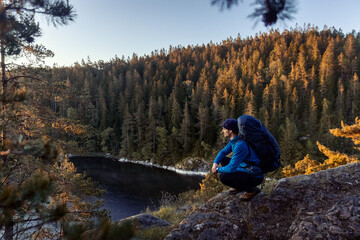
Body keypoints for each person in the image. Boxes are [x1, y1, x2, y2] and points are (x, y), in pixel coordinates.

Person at [211, 118, 264, 200]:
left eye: (224, 129)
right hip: (246, 167)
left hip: (254, 174)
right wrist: (215, 163)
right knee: (223, 159)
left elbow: (232, 169)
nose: (222, 131)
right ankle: (238, 186)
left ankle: (252, 190)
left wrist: (217, 169)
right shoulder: (234, 141)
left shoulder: (240, 145)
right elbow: (223, 152)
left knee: (223, 177)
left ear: (230, 130)